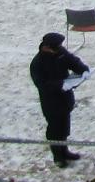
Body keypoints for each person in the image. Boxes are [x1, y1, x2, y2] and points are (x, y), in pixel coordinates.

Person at [31, 32, 90, 167]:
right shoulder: (37, 63)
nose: (59, 49)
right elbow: (41, 84)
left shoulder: (59, 52)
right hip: (51, 102)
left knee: (64, 127)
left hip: (65, 98)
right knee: (54, 130)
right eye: (56, 47)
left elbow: (72, 61)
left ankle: (65, 151)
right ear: (46, 47)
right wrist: (59, 85)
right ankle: (58, 156)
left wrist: (83, 69)